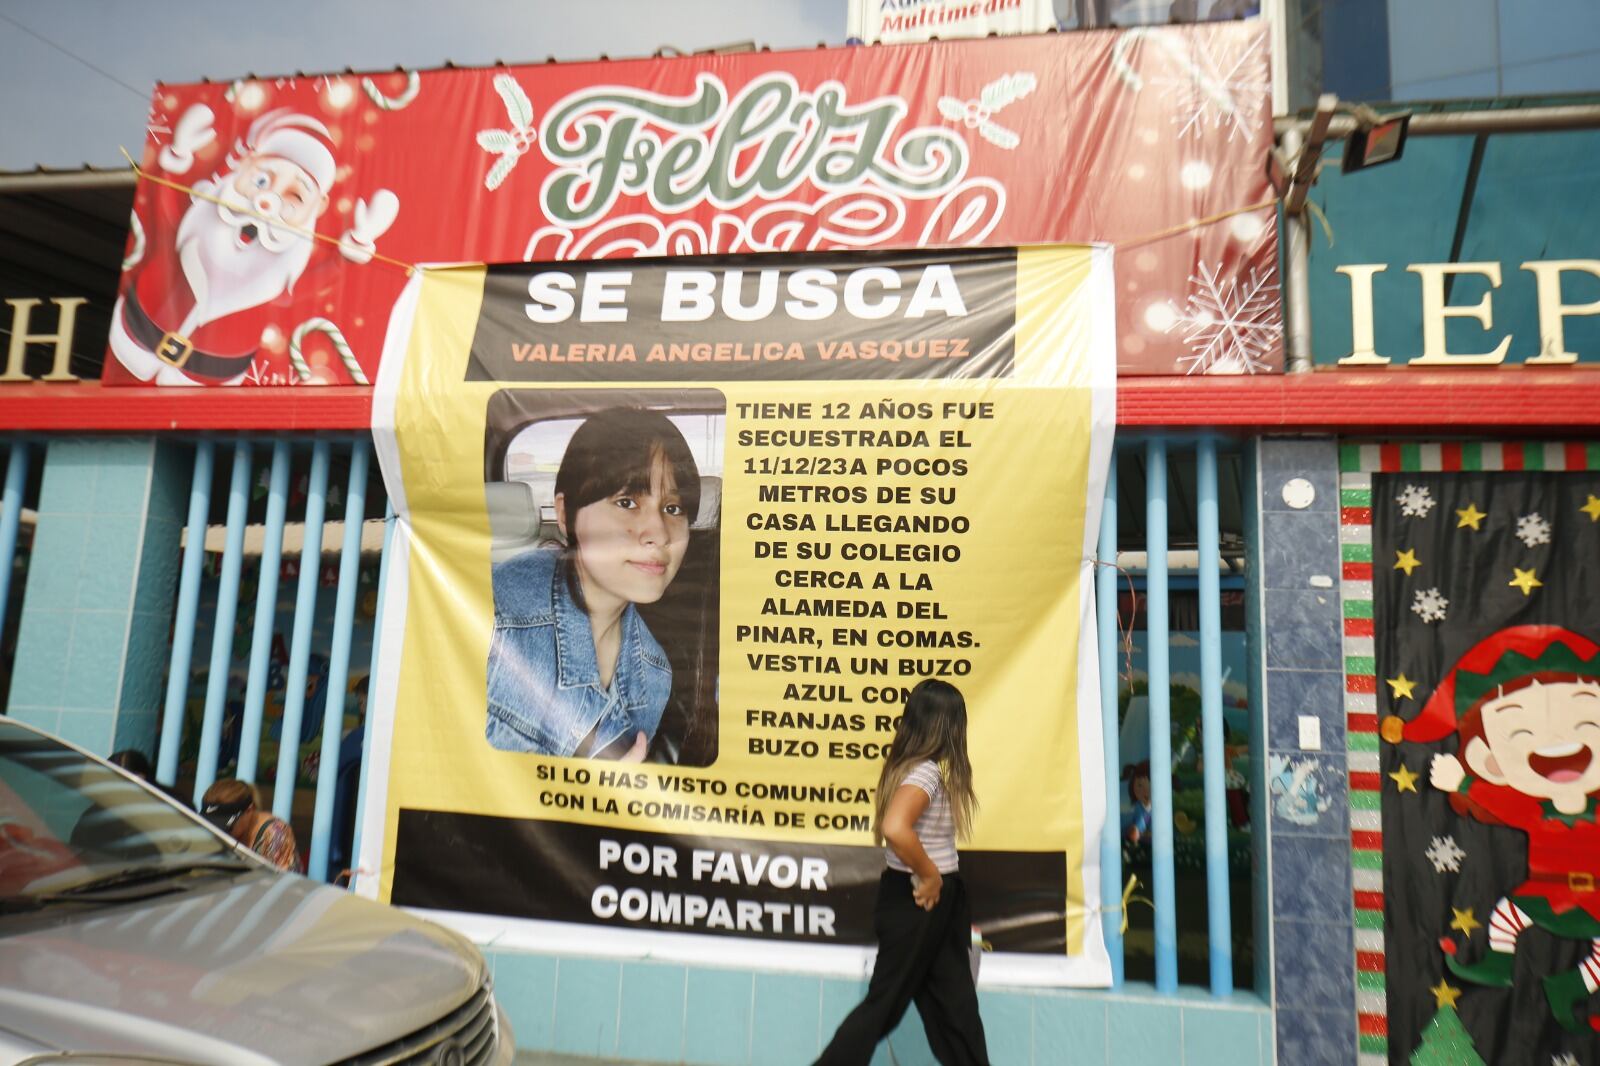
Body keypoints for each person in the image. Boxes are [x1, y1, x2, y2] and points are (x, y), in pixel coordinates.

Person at [485, 407, 700, 760]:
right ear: (566, 515)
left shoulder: (655, 672)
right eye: (627, 502)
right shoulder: (497, 615)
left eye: (673, 508)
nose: (659, 534)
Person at [817, 679, 989, 1066]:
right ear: (948, 726)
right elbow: (896, 827)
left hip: (933, 903)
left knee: (956, 1008)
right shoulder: (925, 774)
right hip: (920, 901)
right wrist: (930, 876)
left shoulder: (909, 767)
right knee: (884, 1007)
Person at [199, 779, 302, 873]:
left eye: (225, 826)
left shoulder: (275, 834)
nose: (218, 832)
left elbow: (282, 884)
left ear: (249, 810)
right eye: (212, 825)